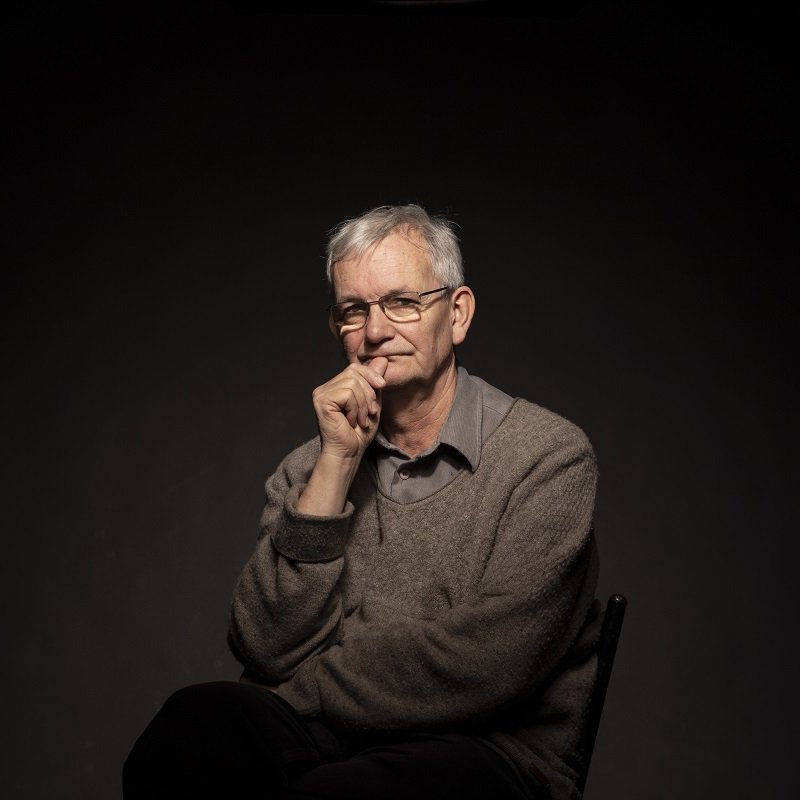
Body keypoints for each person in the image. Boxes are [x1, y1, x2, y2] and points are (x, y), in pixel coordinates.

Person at [123, 203, 601, 800]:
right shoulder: (309, 466)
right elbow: (264, 646)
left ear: (457, 315)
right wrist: (337, 464)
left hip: (490, 753)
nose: (374, 332)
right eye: (354, 311)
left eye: (401, 302)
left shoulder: (547, 457)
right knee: (191, 732)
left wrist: (308, 686)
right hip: (332, 740)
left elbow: (487, 663)